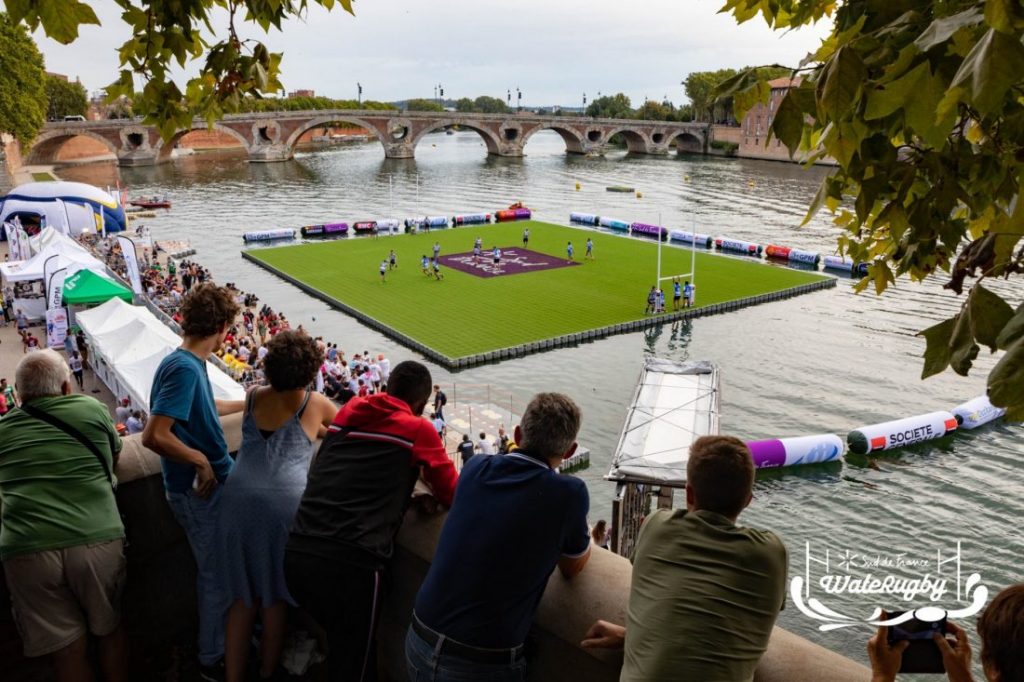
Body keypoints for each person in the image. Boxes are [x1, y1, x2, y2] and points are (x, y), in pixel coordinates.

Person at [285, 360, 458, 682]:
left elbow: (346, 470)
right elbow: (453, 493)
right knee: (356, 666)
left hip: (298, 550)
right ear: (420, 404)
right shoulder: (418, 428)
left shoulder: (349, 412)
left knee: (343, 650)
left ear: (388, 387)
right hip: (352, 565)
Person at [406, 392, 591, 681]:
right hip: (482, 661)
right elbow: (572, 566)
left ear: (518, 433)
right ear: (569, 451)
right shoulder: (570, 494)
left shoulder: (475, 468)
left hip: (419, 635)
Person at [581, 435, 787, 682]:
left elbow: (678, 602)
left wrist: (632, 636)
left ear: (689, 493)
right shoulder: (771, 552)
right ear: (748, 500)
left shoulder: (657, 526)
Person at [213, 332, 339, 682]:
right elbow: (349, 429)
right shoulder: (315, 404)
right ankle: (268, 672)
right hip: (283, 505)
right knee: (273, 599)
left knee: (242, 600)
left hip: (236, 500)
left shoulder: (253, 396)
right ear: (309, 370)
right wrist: (319, 432)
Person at [0, 350, 128, 682]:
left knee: (67, 651)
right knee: (109, 631)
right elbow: (113, 457)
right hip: (96, 535)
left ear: (19, 394)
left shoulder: (3, 430)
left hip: (27, 548)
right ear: (67, 387)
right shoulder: (92, 409)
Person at [143, 284, 244, 681]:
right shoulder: (185, 367)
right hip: (196, 492)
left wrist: (247, 401)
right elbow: (154, 434)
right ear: (221, 327)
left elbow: (202, 405)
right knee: (216, 576)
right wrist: (201, 461)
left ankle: (222, 644)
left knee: (218, 572)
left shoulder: (188, 362)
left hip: (202, 490)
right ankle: (212, 657)